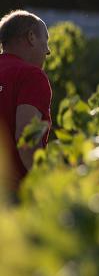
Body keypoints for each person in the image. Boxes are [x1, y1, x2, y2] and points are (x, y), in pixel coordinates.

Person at [0, 10, 52, 194]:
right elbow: (26, 138)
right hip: (13, 195)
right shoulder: (30, 76)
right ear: (31, 37)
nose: (48, 51)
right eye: (45, 41)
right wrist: (45, 186)